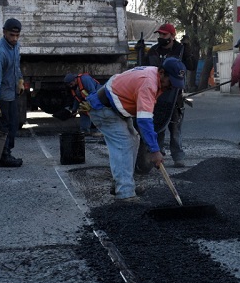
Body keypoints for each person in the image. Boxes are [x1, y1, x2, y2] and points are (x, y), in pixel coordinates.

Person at [79, 57, 186, 203]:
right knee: (124, 142)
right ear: (162, 73)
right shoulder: (148, 83)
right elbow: (144, 120)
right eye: (171, 82)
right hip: (104, 109)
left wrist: (153, 147)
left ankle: (121, 184)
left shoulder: (154, 76)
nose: (172, 87)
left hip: (116, 108)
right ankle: (125, 193)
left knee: (133, 139)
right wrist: (154, 150)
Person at [138, 23, 197, 167]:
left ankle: (178, 157)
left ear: (172, 36)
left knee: (175, 127)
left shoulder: (180, 50)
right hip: (156, 95)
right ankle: (158, 155)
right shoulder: (153, 51)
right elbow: (142, 68)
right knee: (158, 126)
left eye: (164, 34)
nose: (161, 37)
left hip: (174, 95)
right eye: (159, 34)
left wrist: (188, 50)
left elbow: (192, 66)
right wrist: (139, 52)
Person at [0, 18, 24, 167]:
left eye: (17, 36)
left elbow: (16, 65)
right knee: (3, 126)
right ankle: (3, 157)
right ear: (4, 32)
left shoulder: (15, 46)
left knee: (13, 125)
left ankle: (7, 152)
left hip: (11, 93)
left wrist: (20, 79)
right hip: (1, 96)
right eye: (11, 35)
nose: (14, 39)